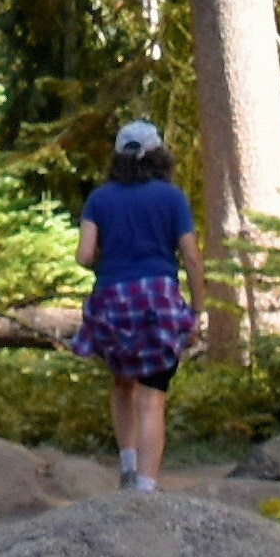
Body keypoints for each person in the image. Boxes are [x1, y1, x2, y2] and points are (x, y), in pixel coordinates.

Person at [71, 119, 198, 490]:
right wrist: (198, 309)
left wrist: (112, 260)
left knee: (122, 383)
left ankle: (127, 466)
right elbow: (190, 256)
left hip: (113, 301)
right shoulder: (172, 197)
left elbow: (83, 256)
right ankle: (146, 488)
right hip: (159, 300)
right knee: (152, 397)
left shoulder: (99, 199)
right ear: (158, 154)